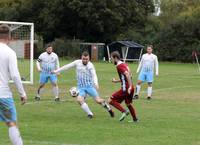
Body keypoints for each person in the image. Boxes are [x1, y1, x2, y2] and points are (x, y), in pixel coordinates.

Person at [53, 51, 114, 118]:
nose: (85, 60)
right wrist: (56, 71)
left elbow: (94, 75)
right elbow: (67, 67)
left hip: (90, 86)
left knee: (98, 101)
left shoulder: (90, 66)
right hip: (81, 87)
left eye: (86, 59)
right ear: (81, 58)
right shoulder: (77, 62)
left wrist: (96, 83)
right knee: (79, 100)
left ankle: (109, 109)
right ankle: (90, 114)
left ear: (89, 59)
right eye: (83, 59)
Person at [0, 24, 27, 145]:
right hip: (3, 95)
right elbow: (15, 75)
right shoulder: (10, 52)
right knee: (11, 123)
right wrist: (22, 93)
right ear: (9, 37)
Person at [108, 51, 138, 122]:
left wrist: (129, 86)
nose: (111, 60)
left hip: (126, 88)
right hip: (130, 87)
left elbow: (127, 74)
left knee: (110, 100)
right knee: (128, 103)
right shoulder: (124, 64)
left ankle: (124, 111)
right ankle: (135, 119)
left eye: (111, 58)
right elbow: (129, 75)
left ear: (115, 58)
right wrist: (117, 81)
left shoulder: (119, 66)